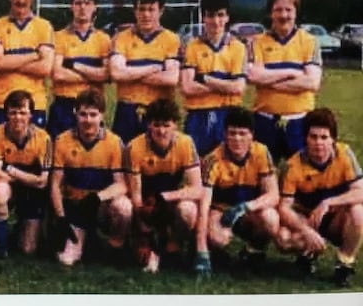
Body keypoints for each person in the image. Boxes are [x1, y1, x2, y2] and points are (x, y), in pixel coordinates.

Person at [277, 108, 362, 287]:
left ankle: (344, 263)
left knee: (358, 212)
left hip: (334, 217)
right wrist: (306, 230)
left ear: (333, 139)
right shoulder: (293, 165)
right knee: (284, 239)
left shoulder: (344, 154)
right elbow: (284, 207)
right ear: (305, 138)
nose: (318, 143)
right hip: (307, 218)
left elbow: (360, 191)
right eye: (313, 137)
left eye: (324, 137)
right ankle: (307, 254)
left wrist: (328, 202)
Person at [50, 89, 131, 266]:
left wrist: (97, 198)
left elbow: (122, 185)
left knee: (124, 207)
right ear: (75, 114)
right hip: (75, 207)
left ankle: (114, 248)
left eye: (93, 115)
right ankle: (83, 239)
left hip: (99, 205)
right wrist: (61, 217)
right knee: (67, 261)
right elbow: (55, 184)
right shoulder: (62, 140)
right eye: (83, 114)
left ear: (102, 115)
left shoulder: (114, 142)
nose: (88, 120)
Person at [124, 99, 202, 273]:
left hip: (169, 198)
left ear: (175, 124)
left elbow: (197, 189)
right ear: (148, 125)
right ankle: (141, 242)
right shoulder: (134, 147)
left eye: (166, 125)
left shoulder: (186, 143)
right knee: (127, 207)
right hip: (146, 202)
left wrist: (164, 197)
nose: (161, 131)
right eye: (156, 125)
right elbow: (136, 196)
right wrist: (144, 236)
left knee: (189, 209)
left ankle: (172, 248)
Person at [197, 107, 279, 273]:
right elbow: (203, 206)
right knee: (219, 239)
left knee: (271, 219)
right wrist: (201, 249)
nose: (237, 139)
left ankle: (254, 251)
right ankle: (210, 249)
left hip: (248, 209)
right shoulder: (212, 159)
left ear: (252, 135)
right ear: (225, 135)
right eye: (232, 133)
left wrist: (246, 207)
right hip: (221, 209)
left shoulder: (262, 152)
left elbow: (273, 194)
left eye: (242, 134)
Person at [246, 0, 322, 162]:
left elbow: (312, 83)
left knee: (299, 180)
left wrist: (269, 79)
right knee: (262, 177)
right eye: (278, 10)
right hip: (264, 122)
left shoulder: (309, 41)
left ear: (296, 11)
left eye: (288, 10)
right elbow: (254, 76)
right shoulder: (256, 42)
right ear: (270, 12)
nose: (283, 15)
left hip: (299, 122)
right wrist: (292, 72)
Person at [109, 0, 181, 143]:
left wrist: (131, 73)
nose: (146, 14)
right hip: (127, 110)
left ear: (161, 11)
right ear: (135, 11)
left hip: (159, 112)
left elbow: (171, 78)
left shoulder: (171, 39)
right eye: (141, 9)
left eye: (151, 9)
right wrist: (154, 68)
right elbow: (116, 74)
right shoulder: (122, 38)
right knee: (125, 160)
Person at [179, 0, 247, 156]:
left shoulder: (238, 47)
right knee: (197, 166)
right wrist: (225, 85)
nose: (216, 21)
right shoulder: (192, 46)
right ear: (203, 17)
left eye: (220, 15)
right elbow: (187, 88)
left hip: (228, 115)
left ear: (227, 17)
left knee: (227, 167)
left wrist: (203, 78)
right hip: (198, 116)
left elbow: (238, 88)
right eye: (210, 15)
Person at [0, 0, 54, 130]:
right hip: (1, 102)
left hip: (34, 104)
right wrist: (33, 55)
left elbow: (45, 68)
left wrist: (10, 61)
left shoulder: (44, 26)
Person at [0, 90, 52, 258]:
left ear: (31, 114)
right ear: (6, 114)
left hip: (32, 193)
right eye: (13, 112)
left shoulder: (43, 138)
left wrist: (10, 170)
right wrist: (29, 178)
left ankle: (23, 227)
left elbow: (43, 182)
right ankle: (0, 247)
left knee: (28, 249)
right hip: (11, 186)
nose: (18, 117)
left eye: (23, 112)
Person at [50, 0, 110, 139]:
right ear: (71, 6)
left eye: (87, 3)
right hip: (64, 105)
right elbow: (58, 74)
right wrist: (92, 75)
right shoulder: (58, 37)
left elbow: (106, 75)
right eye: (78, 3)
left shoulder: (103, 39)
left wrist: (74, 65)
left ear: (95, 6)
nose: (82, 7)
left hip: (93, 107)